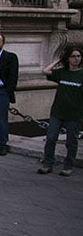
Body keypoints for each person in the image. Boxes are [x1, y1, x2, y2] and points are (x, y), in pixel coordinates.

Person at [37, 45, 83, 176]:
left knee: (71, 142)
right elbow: (45, 71)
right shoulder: (62, 72)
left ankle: (68, 166)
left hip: (74, 114)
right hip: (57, 112)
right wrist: (57, 60)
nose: (76, 59)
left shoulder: (81, 74)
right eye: (73, 56)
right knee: (51, 138)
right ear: (68, 58)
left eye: (78, 56)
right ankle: (47, 163)